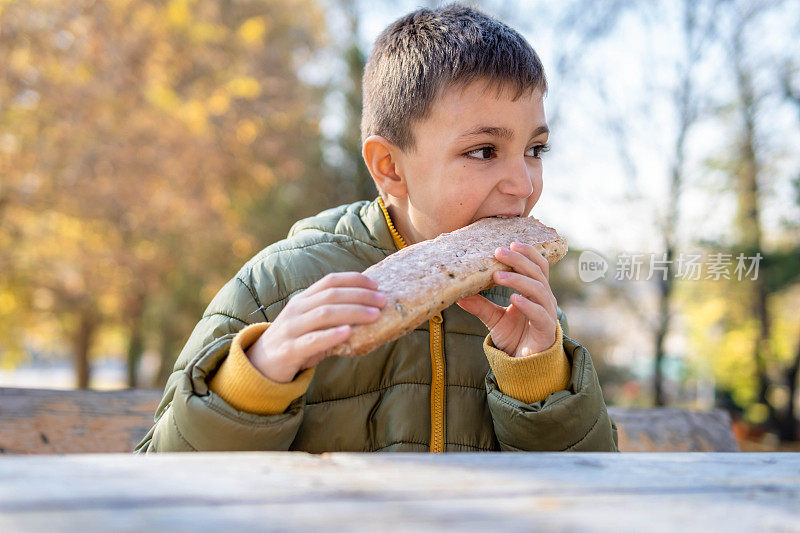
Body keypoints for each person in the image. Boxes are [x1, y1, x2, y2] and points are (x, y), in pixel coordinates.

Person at [135, 3, 618, 453]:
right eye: (484, 151)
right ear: (389, 166)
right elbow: (158, 479)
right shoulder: (278, 286)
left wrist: (540, 376)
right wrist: (256, 377)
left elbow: (591, 488)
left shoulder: (524, 300)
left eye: (536, 150)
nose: (523, 184)